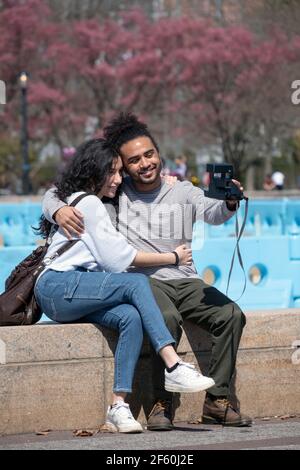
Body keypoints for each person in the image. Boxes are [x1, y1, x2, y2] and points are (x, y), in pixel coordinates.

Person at [42, 114, 252, 429]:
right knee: (165, 317)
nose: (145, 163)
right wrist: (58, 210)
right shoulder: (116, 191)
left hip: (186, 279)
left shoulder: (182, 190)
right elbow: (58, 192)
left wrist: (230, 201)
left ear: (158, 152)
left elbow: (213, 211)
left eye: (149, 154)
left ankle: (218, 402)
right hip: (145, 281)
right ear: (123, 166)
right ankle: (160, 404)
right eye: (135, 160)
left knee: (232, 315)